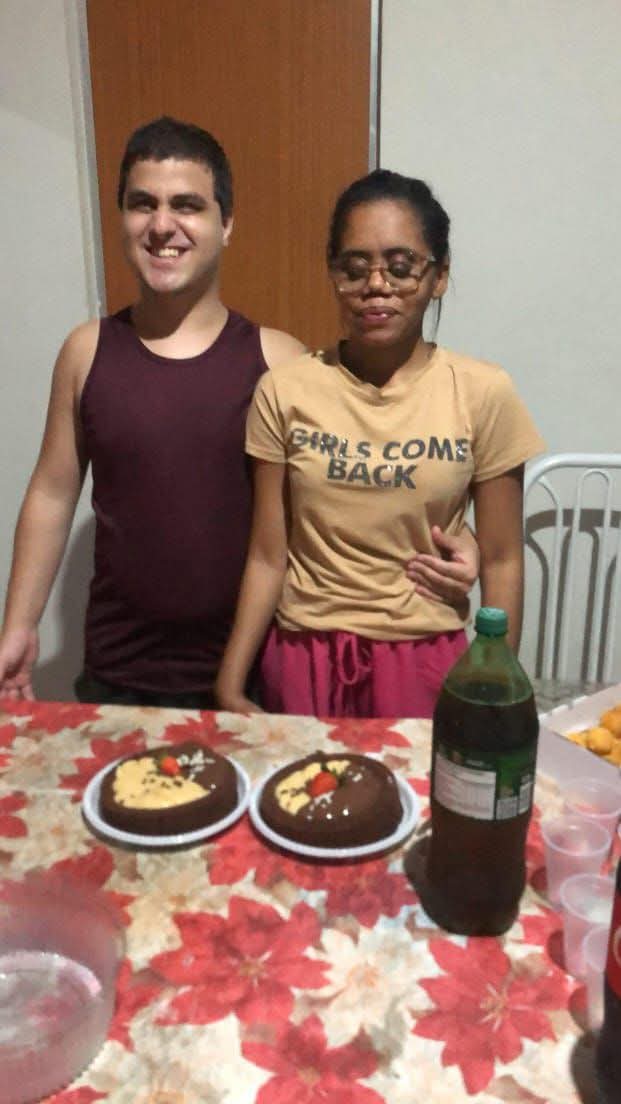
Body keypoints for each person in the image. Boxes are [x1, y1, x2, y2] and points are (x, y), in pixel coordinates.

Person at [0, 122, 475, 708]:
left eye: (188, 205)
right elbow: (51, 493)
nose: (162, 224)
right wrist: (19, 626)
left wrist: (461, 535)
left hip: (255, 668)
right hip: (117, 671)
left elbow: (358, 482)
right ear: (121, 217)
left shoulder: (281, 361)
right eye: (141, 203)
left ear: (226, 223)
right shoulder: (86, 351)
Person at [215, 169, 545, 718]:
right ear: (333, 274)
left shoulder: (484, 391)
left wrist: (498, 689)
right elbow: (268, 556)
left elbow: (505, 558)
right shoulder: (286, 390)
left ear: (438, 276)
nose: (376, 285)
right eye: (354, 267)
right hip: (304, 655)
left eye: (400, 266)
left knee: (422, 804)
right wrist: (229, 684)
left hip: (424, 657)